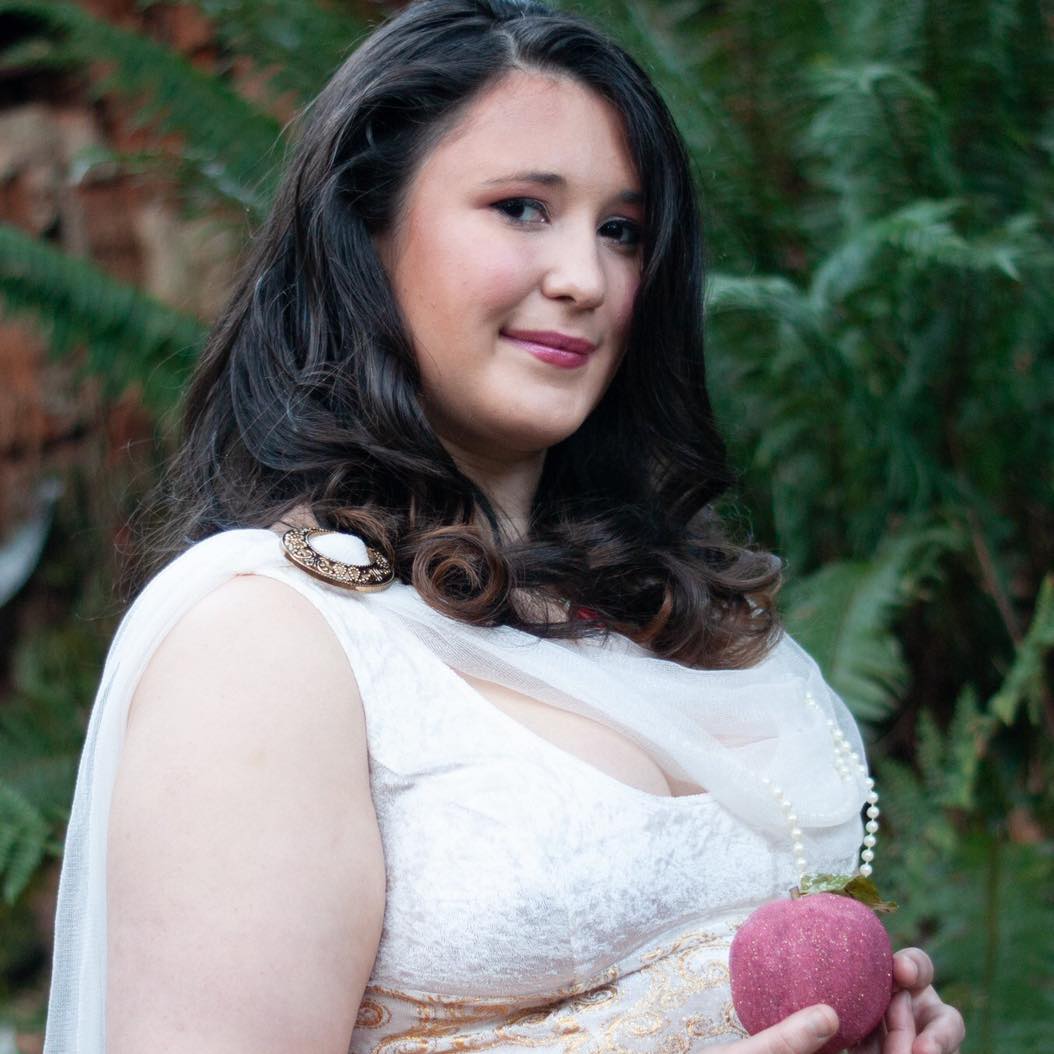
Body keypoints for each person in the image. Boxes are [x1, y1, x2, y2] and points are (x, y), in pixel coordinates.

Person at [43, 1, 967, 1052]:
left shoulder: (667, 605)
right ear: (365, 231)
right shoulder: (269, 638)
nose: (586, 278)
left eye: (621, 230)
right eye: (523, 208)